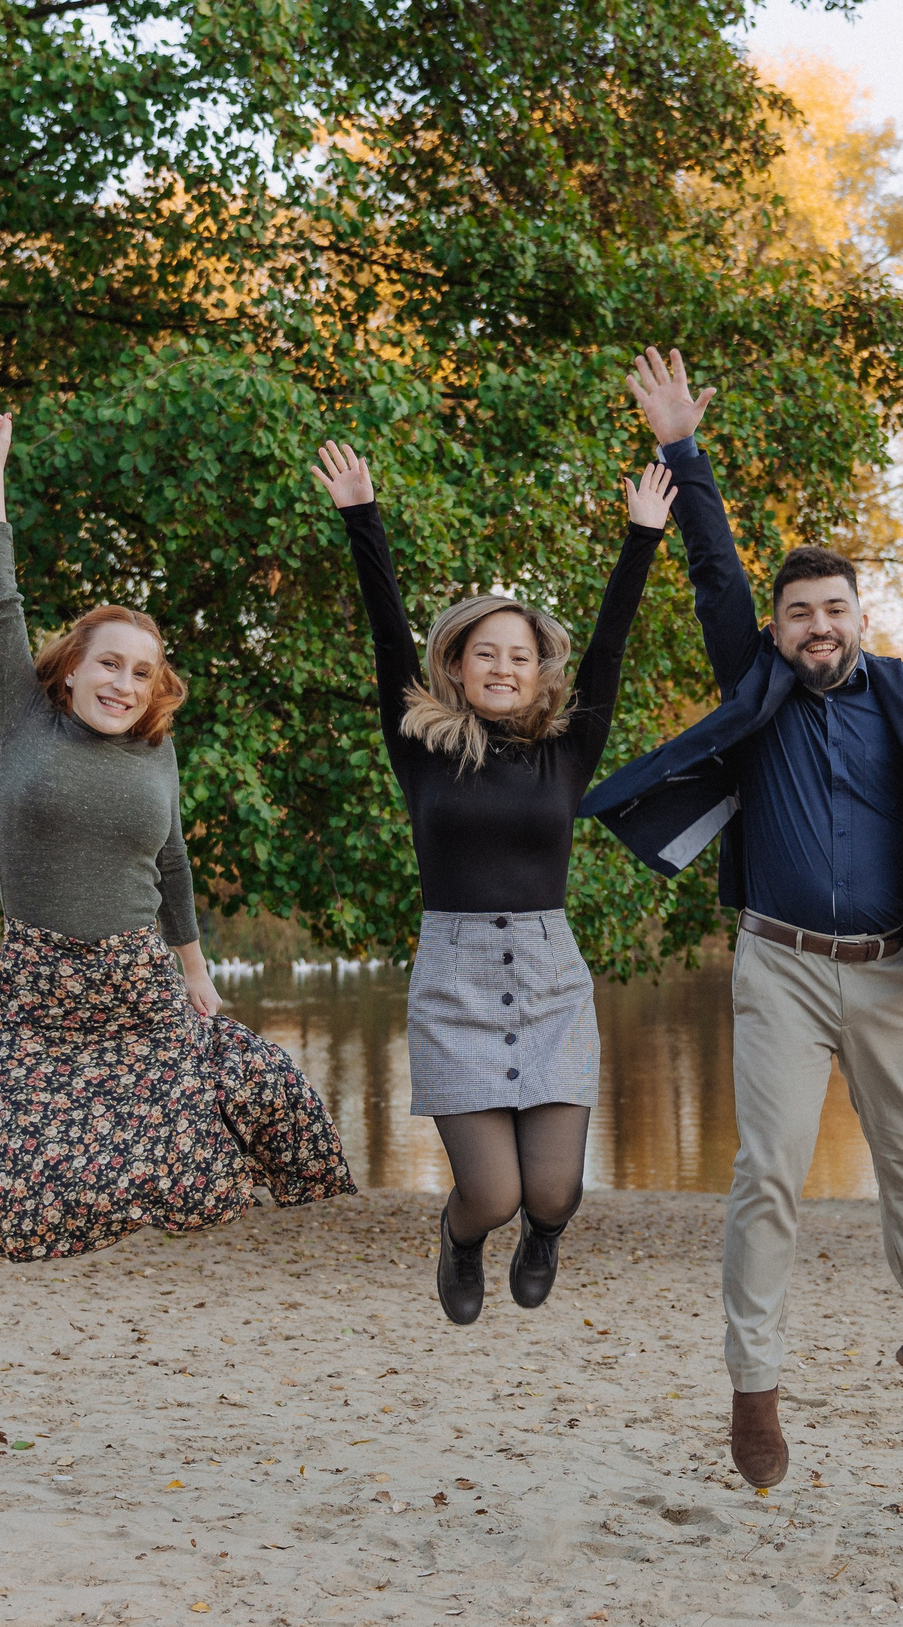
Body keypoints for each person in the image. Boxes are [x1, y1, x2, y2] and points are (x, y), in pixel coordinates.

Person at [584, 348, 903, 1490]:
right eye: (799, 613)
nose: (817, 625)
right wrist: (682, 446)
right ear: (776, 629)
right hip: (776, 962)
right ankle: (754, 1385)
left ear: (863, 615)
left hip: (884, 971)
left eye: (834, 609)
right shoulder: (757, 682)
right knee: (767, 1169)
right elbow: (713, 568)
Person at [0, 412, 358, 1259]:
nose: (123, 683)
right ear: (73, 666)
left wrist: (195, 968)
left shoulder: (158, 749)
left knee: (253, 1136)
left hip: (140, 985)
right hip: (45, 994)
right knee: (15, 1220)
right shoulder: (23, 722)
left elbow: (174, 859)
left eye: (141, 671)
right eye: (109, 663)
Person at [313, 440, 672, 1324]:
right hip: (455, 982)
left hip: (551, 982)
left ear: (538, 670)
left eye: (519, 656)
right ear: (456, 666)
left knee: (551, 1197)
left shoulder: (567, 751)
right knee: (493, 1194)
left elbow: (611, 645)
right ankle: (461, 1238)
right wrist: (363, 517)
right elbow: (383, 627)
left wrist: (643, 539)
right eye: (486, 654)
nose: (504, 668)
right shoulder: (421, 746)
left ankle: (545, 1236)